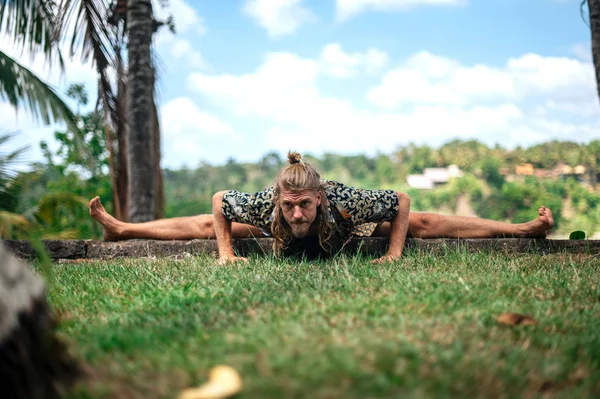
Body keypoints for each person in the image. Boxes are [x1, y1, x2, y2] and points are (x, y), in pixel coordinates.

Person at [89, 151, 554, 264]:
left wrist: (392, 252)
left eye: (304, 206)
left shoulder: (344, 199)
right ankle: (122, 231)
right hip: (275, 240)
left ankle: (521, 229)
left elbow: (404, 200)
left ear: (319, 199)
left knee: (423, 223)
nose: (296, 214)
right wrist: (226, 252)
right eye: (289, 206)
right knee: (206, 226)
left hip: (350, 233)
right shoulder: (267, 205)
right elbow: (217, 203)